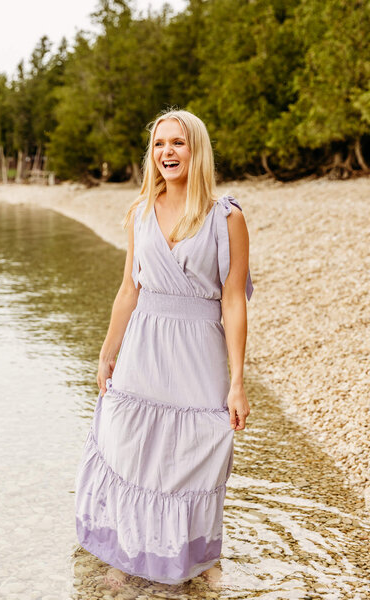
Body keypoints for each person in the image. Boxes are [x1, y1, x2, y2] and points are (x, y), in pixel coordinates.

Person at [74, 108, 254, 589]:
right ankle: (126, 551)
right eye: (159, 144)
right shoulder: (139, 211)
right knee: (131, 446)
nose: (167, 152)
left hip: (199, 349)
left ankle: (200, 556)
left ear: (197, 151)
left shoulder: (227, 217)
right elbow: (128, 289)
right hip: (143, 345)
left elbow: (233, 301)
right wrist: (108, 350)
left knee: (199, 450)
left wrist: (238, 383)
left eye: (178, 143)